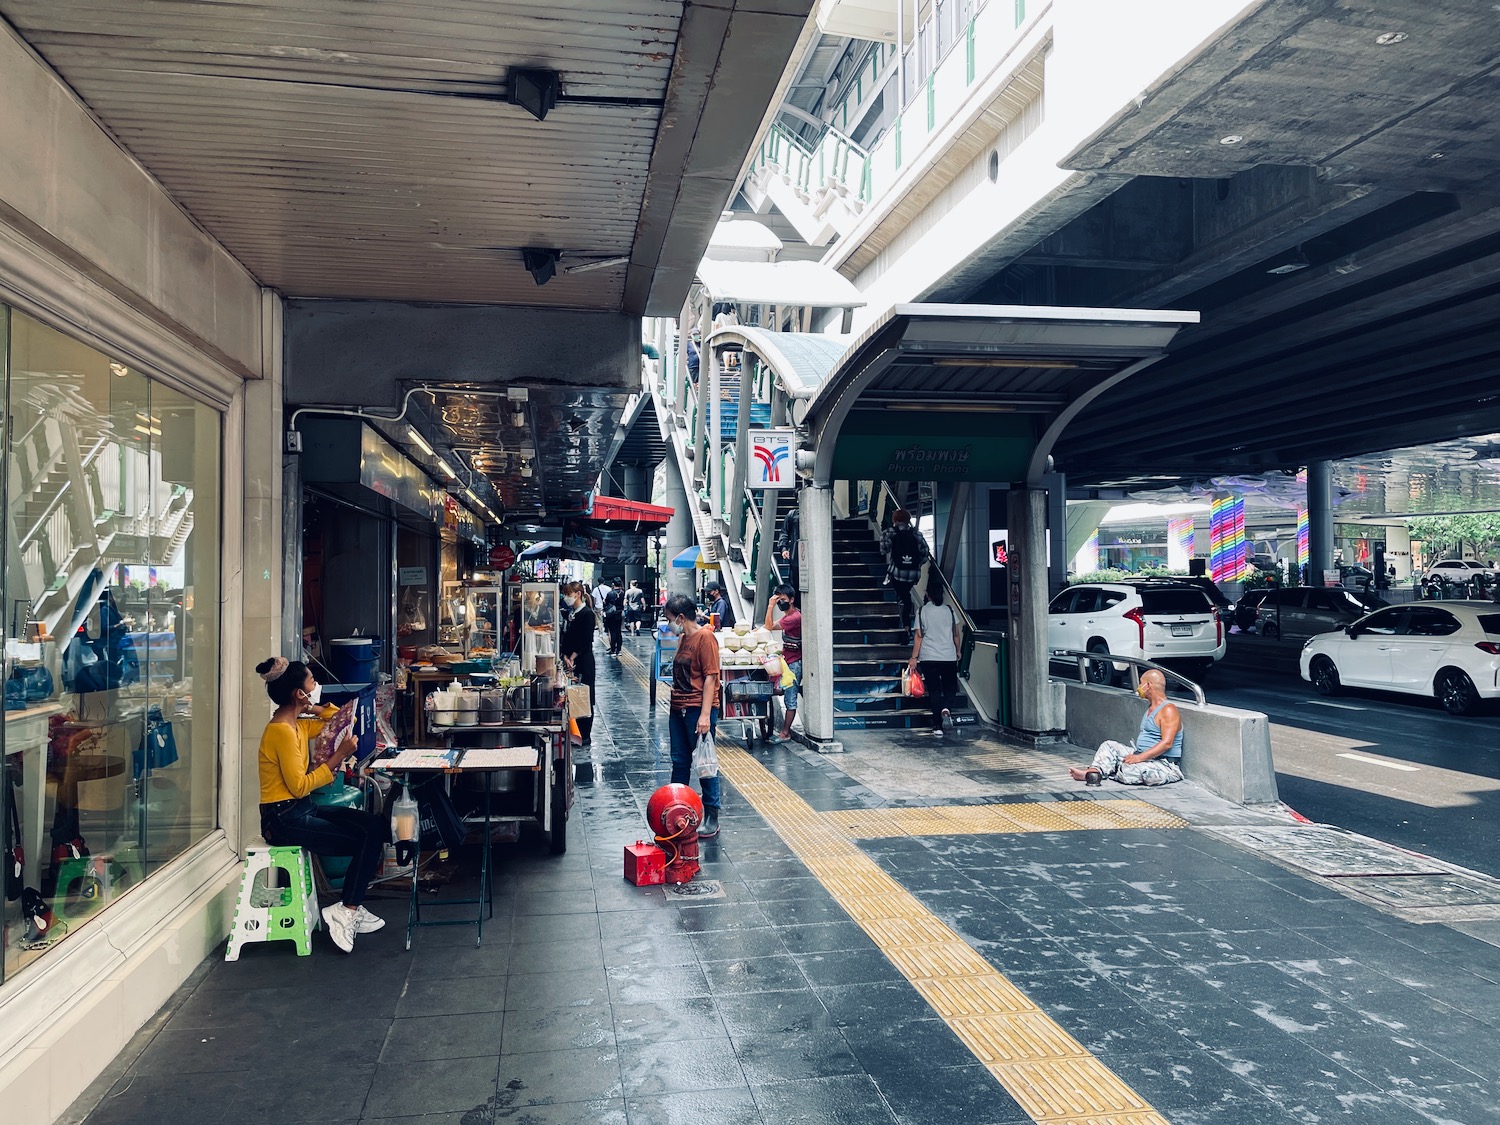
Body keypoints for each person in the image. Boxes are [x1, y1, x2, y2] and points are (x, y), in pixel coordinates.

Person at [255, 657, 386, 953]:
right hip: (283, 819)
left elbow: (337, 718)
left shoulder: (298, 724)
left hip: (300, 809)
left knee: (373, 827)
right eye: (312, 682)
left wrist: (310, 705)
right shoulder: (282, 732)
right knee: (364, 841)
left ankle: (350, 907)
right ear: (298, 693)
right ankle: (348, 908)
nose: (316, 687)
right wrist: (338, 756)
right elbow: (299, 786)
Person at [664, 592, 722, 838]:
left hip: (698, 709)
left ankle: (711, 814)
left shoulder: (705, 638)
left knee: (704, 763)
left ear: (679, 617)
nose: (667, 623)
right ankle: (679, 808)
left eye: (668, 618)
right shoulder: (683, 639)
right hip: (678, 708)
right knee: (679, 761)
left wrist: (705, 716)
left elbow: (711, 677)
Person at [1068, 670, 1184, 787]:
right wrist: (1137, 756)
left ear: (1148, 685)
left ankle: (1113, 769)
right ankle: (1093, 773)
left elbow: (1167, 743)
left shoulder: (1168, 710)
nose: (1139, 687)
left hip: (1163, 763)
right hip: (1141, 755)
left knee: (1129, 770)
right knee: (1108, 746)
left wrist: (1139, 758)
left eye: (1141, 683)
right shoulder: (1151, 708)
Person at [907, 583, 962, 738]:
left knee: (935, 691)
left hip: (928, 657)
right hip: (948, 656)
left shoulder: (922, 611)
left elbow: (919, 636)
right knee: (950, 688)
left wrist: (914, 657)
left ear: (928, 595)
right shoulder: (949, 610)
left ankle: (937, 726)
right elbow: (955, 634)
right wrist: (958, 650)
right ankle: (946, 708)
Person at [559, 581, 597, 746]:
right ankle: (575, 733)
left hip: (583, 661)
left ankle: (584, 735)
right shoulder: (571, 613)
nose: (566, 597)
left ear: (578, 594)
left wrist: (572, 657)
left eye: (569, 594)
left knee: (584, 696)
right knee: (573, 696)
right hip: (571, 660)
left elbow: (585, 640)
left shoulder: (587, 614)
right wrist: (565, 656)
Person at [881, 509, 928, 637]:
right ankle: (907, 624)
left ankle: (906, 628)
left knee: (902, 597)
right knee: (904, 595)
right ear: (908, 520)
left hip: (897, 573)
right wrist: (915, 565)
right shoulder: (916, 534)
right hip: (912, 575)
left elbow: (884, 550)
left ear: (895, 520)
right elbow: (925, 554)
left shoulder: (889, 532)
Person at [765, 584, 801, 743]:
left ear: (792, 600)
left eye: (783, 600)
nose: (780, 603)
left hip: (794, 663)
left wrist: (771, 605)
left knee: (790, 698)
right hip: (787, 661)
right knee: (780, 691)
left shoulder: (794, 618)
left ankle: (786, 733)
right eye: (778, 600)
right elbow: (771, 626)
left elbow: (768, 627)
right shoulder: (789, 616)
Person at [778, 504, 800, 591]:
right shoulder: (793, 514)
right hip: (795, 556)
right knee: (795, 583)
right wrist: (783, 548)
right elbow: (784, 532)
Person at [602, 579, 625, 655]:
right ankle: (619, 650)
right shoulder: (622, 593)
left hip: (611, 615)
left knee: (612, 632)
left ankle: (613, 649)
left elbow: (606, 604)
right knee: (618, 631)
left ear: (613, 584)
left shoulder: (610, 593)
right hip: (619, 614)